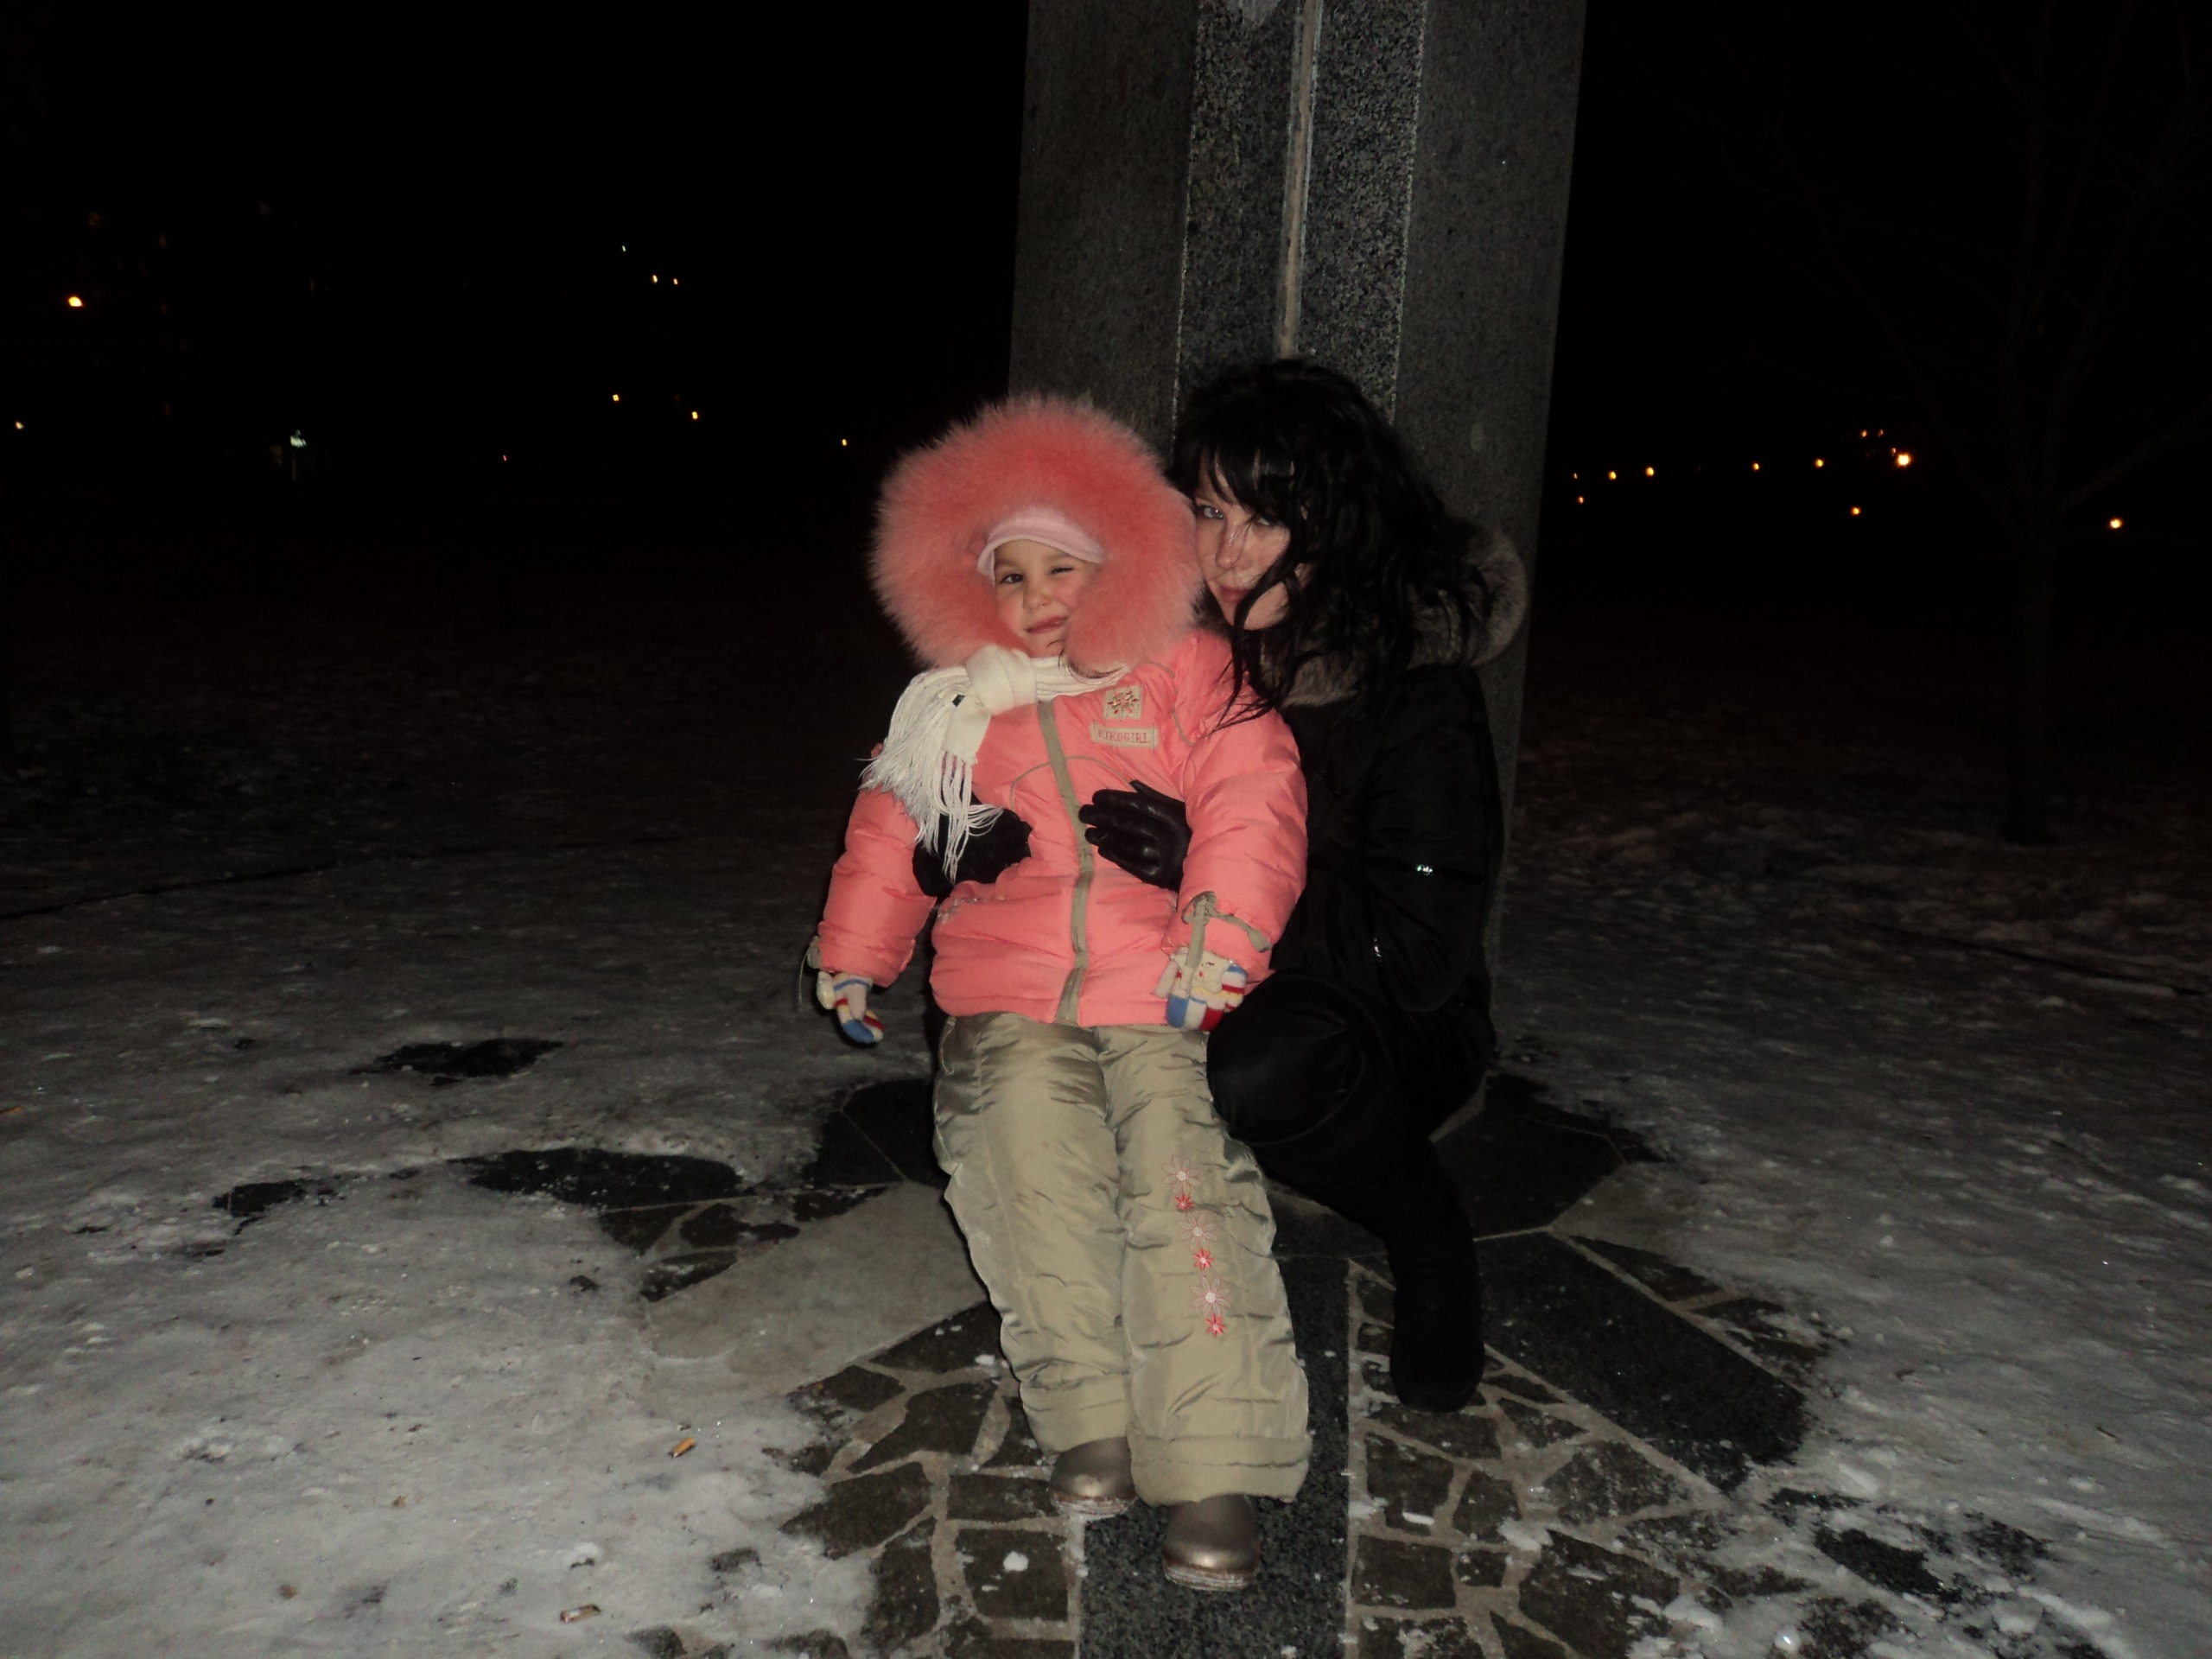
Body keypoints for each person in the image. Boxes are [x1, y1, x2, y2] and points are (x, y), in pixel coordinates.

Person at [810, 395, 1312, 1590]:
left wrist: (1221, 933)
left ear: (1120, 564)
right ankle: (1088, 1406)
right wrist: (855, 952)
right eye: (1012, 575)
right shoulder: (952, 706)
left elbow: (1253, 800)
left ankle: (1214, 1453)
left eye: (1064, 569)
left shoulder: (1189, 669)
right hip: (1006, 986)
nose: (1038, 597)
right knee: (1024, 1167)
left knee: (1182, 1188)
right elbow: (891, 832)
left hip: (1164, 981)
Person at [1079, 359, 1527, 1413]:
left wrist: (1215, 878)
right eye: (1208, 511)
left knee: (1265, 1065)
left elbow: (1416, 957)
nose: (1227, 553)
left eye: (1265, 518)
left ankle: (1427, 1234)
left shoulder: (1414, 691)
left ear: (1335, 521)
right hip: (1192, 970)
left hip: (1374, 1017)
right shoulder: (1170, 654)